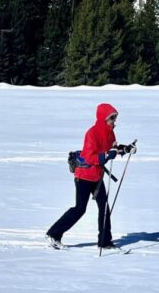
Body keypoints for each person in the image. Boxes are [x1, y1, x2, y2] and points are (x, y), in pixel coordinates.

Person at [46, 103, 136, 249]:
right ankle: (53, 234)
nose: (114, 121)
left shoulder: (110, 133)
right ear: (103, 118)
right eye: (111, 118)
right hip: (84, 176)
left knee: (104, 208)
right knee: (80, 209)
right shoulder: (92, 133)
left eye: (114, 117)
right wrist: (105, 156)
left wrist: (125, 149)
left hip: (97, 177)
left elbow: (112, 149)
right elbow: (88, 157)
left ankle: (105, 242)